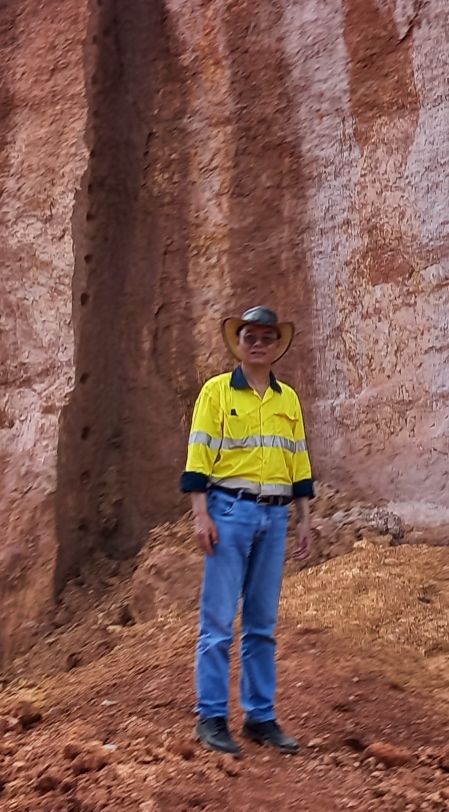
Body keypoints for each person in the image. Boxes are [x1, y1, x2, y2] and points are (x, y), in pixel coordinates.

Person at [182, 305, 314, 756]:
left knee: (261, 624)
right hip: (229, 511)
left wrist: (304, 519)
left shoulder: (287, 399)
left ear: (277, 345)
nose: (258, 344)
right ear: (238, 343)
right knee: (218, 621)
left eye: (266, 337)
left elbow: (298, 461)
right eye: (250, 337)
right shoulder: (216, 392)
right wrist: (201, 514)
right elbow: (199, 456)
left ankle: (260, 717)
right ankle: (211, 717)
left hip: (275, 517)